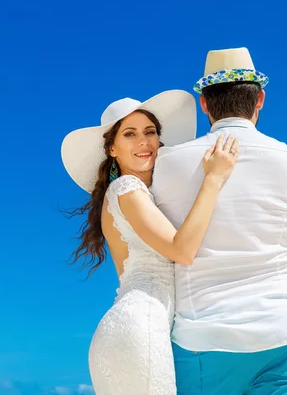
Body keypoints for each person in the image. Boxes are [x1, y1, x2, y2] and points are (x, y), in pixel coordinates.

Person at [151, 48, 287, 394]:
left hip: (204, 339)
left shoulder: (167, 163)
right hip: (283, 334)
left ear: (204, 104)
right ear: (260, 99)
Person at [60, 90, 240, 395]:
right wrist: (214, 179)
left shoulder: (138, 194)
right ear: (112, 149)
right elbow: (182, 250)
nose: (143, 141)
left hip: (138, 328)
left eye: (150, 132)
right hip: (140, 327)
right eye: (129, 134)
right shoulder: (126, 188)